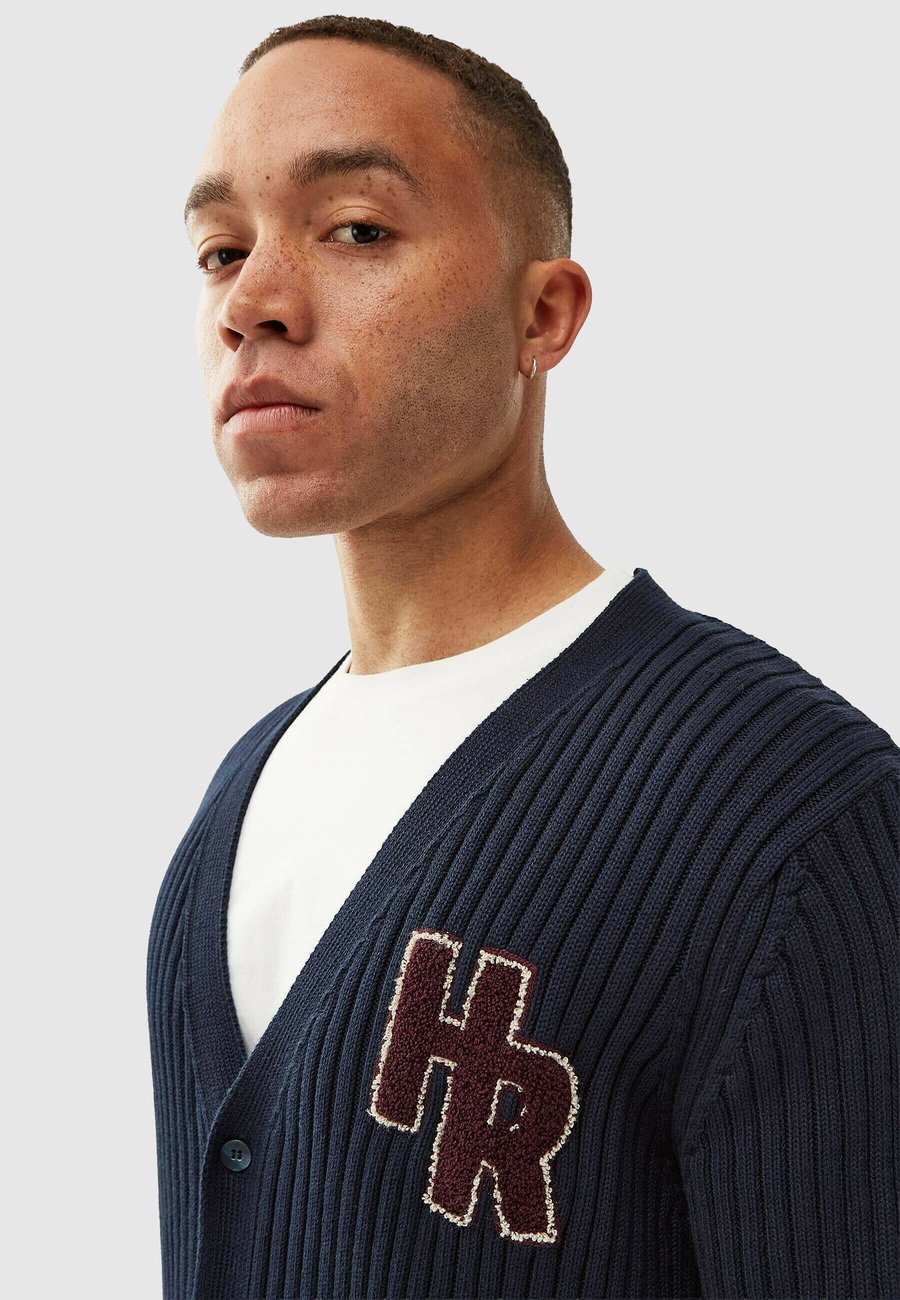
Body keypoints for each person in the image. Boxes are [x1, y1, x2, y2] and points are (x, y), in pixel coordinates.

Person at [147, 16, 899, 1300]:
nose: (250, 302)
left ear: (542, 314)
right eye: (222, 249)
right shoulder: (237, 795)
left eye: (356, 230)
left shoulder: (793, 818)